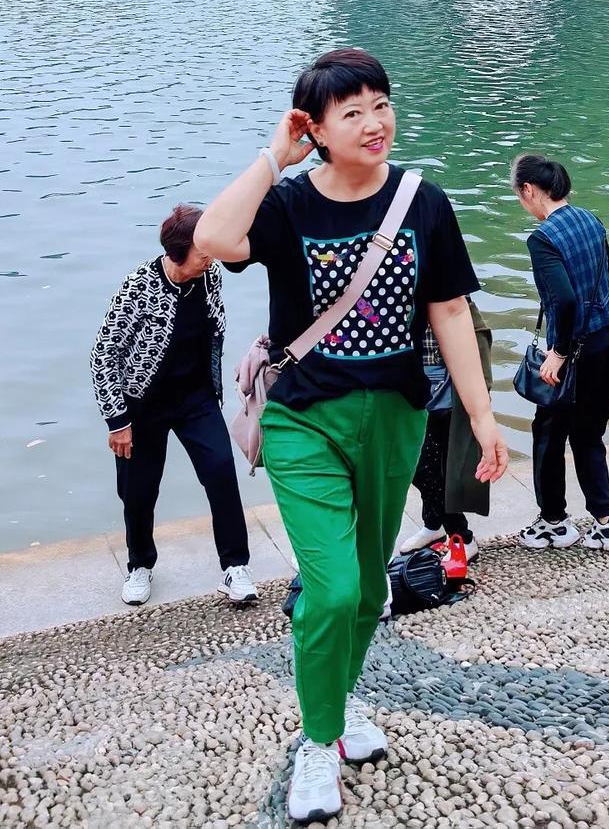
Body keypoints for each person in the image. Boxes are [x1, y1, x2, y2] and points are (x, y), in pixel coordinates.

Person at [194, 48, 508, 826]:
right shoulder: (290, 204)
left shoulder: (421, 202)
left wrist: (480, 414)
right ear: (318, 128)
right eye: (351, 112)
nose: (374, 123)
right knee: (329, 588)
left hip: (394, 419)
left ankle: (335, 704)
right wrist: (274, 156)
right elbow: (212, 236)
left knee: (371, 589)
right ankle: (317, 740)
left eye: (381, 103)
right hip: (304, 418)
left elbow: (449, 313)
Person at [89, 204, 256, 609]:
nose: (210, 258)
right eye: (203, 253)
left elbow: (212, 330)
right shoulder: (138, 287)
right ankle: (139, 564)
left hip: (196, 398)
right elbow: (103, 354)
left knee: (220, 473)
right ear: (179, 252)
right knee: (139, 490)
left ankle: (235, 566)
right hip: (142, 405)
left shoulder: (209, 277)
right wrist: (118, 421)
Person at [511, 153, 609, 554]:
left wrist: (559, 352)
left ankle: (554, 522)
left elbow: (562, 299)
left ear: (529, 190)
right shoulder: (590, 220)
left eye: (518, 194)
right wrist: (593, 309)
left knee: (547, 432)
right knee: (588, 433)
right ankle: (606, 524)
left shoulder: (542, 239)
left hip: (573, 355)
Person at [400, 303, 493, 562]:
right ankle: (434, 525)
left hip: (449, 380)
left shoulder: (445, 282)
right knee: (423, 463)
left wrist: (480, 396)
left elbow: (471, 325)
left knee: (437, 466)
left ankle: (462, 537)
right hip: (409, 375)